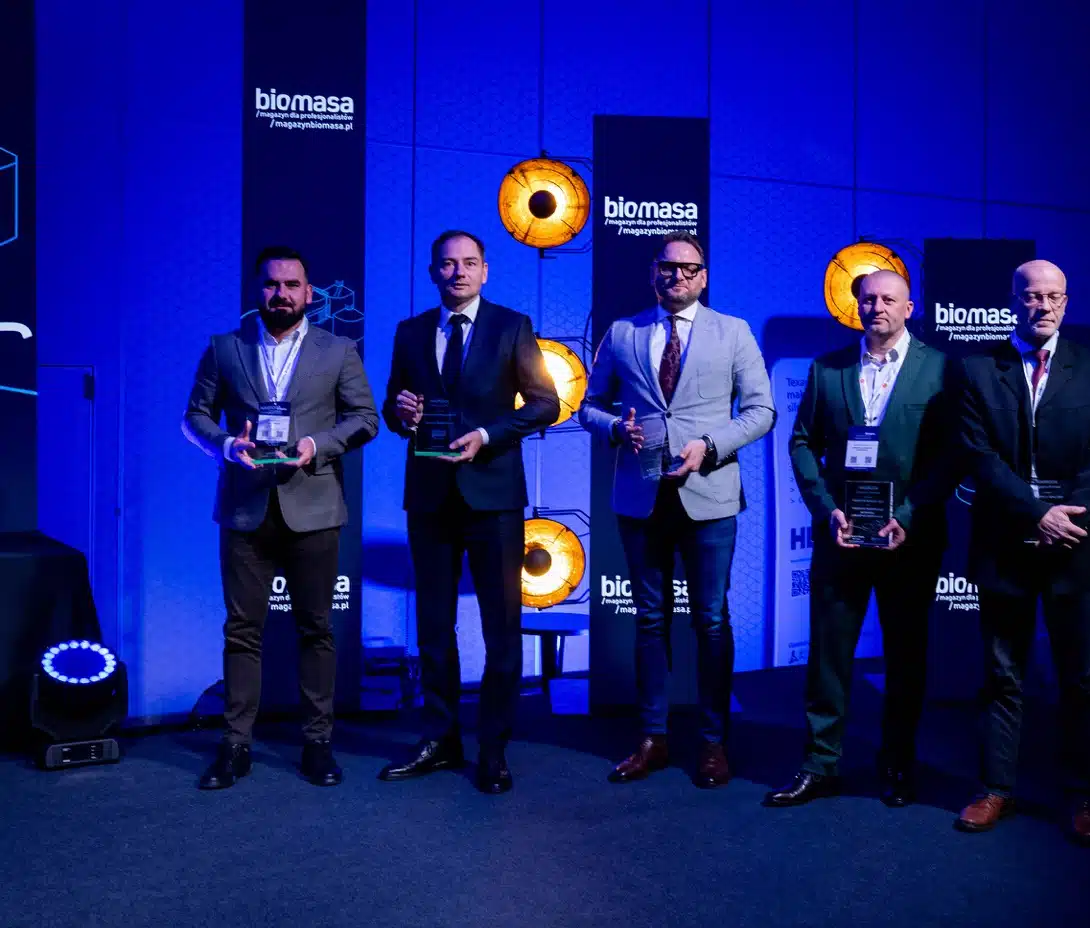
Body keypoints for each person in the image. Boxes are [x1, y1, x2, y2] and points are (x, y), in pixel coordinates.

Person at [578, 231, 775, 788]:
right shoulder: (623, 332)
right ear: (653, 273)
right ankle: (652, 738)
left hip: (709, 493)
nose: (678, 277)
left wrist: (710, 445)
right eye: (668, 267)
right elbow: (588, 407)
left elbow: (761, 411)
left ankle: (713, 742)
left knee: (710, 620)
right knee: (649, 619)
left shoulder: (733, 332)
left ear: (703, 277)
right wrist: (616, 428)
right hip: (640, 496)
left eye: (689, 269)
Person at [183, 245, 379, 789]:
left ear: (309, 293)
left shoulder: (338, 350)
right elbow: (195, 416)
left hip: (313, 508)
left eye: (292, 285)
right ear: (257, 290)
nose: (282, 294)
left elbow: (366, 418)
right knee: (242, 631)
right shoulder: (225, 348)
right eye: (272, 284)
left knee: (316, 629)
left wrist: (318, 445)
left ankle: (317, 743)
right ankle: (235, 745)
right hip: (245, 508)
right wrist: (227, 445)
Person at [764, 270, 957, 808]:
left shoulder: (942, 369)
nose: (877, 307)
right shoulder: (828, 369)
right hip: (841, 536)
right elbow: (802, 443)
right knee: (828, 655)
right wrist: (825, 508)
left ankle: (896, 763)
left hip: (909, 539)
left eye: (888, 299)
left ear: (909, 307)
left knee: (905, 657)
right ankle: (819, 764)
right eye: (868, 299)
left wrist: (909, 515)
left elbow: (952, 455)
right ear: (857, 306)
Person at [377, 230, 557, 794]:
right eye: (448, 264)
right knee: (434, 626)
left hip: (493, 497)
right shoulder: (410, 332)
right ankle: (440, 738)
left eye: (469, 263)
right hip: (429, 496)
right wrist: (402, 412)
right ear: (433, 272)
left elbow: (547, 404)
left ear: (485, 271)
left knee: (501, 628)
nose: (458, 272)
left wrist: (488, 434)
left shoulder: (511, 326)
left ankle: (493, 748)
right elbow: (393, 408)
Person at [954, 259, 1090, 844]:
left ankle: (1082, 793)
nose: (1042, 305)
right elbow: (978, 455)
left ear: (1066, 303)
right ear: (1013, 301)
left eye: (1053, 296)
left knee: (1082, 678)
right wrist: (1035, 513)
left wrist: (1065, 517)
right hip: (1007, 544)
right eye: (1031, 295)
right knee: (1002, 675)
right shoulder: (978, 369)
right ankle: (996, 788)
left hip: (1077, 543)